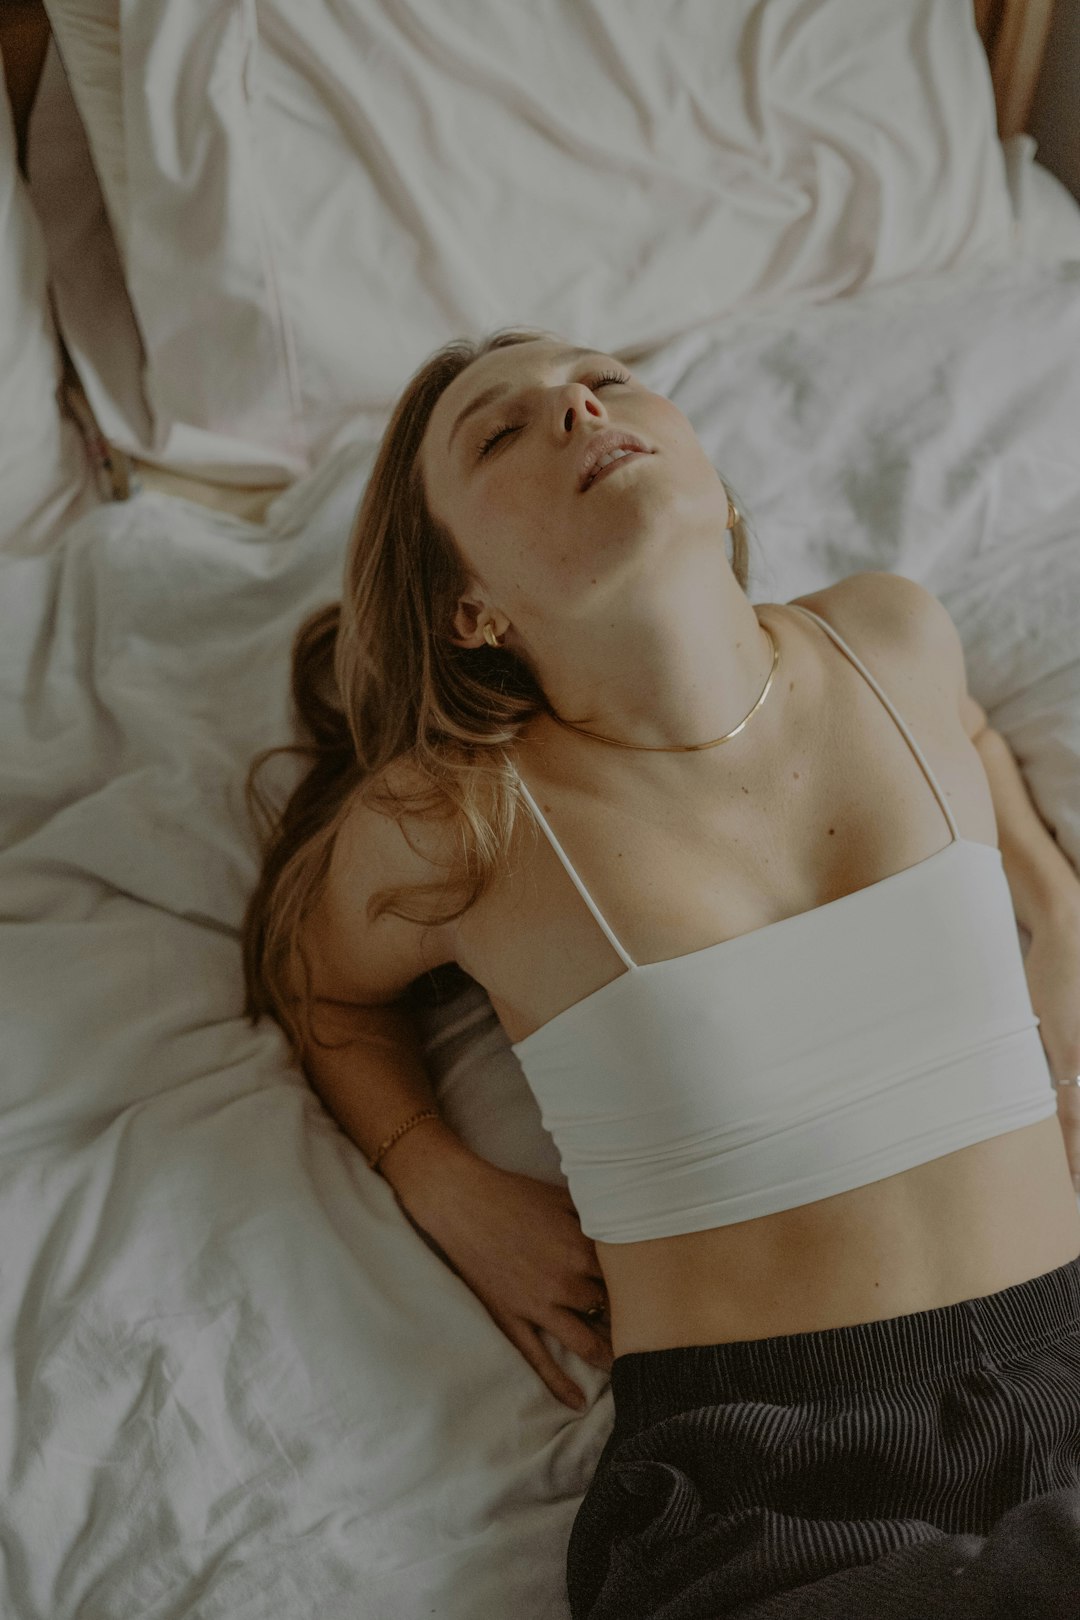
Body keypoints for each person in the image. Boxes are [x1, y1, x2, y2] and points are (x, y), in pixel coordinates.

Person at [240, 328, 1080, 1617]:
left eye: (607, 380)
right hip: (781, 1486)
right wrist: (441, 1179)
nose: (578, 406)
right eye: (502, 432)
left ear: (713, 479)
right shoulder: (461, 821)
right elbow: (319, 982)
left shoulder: (889, 633)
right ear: (471, 606)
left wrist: (1058, 916)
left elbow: (961, 725)